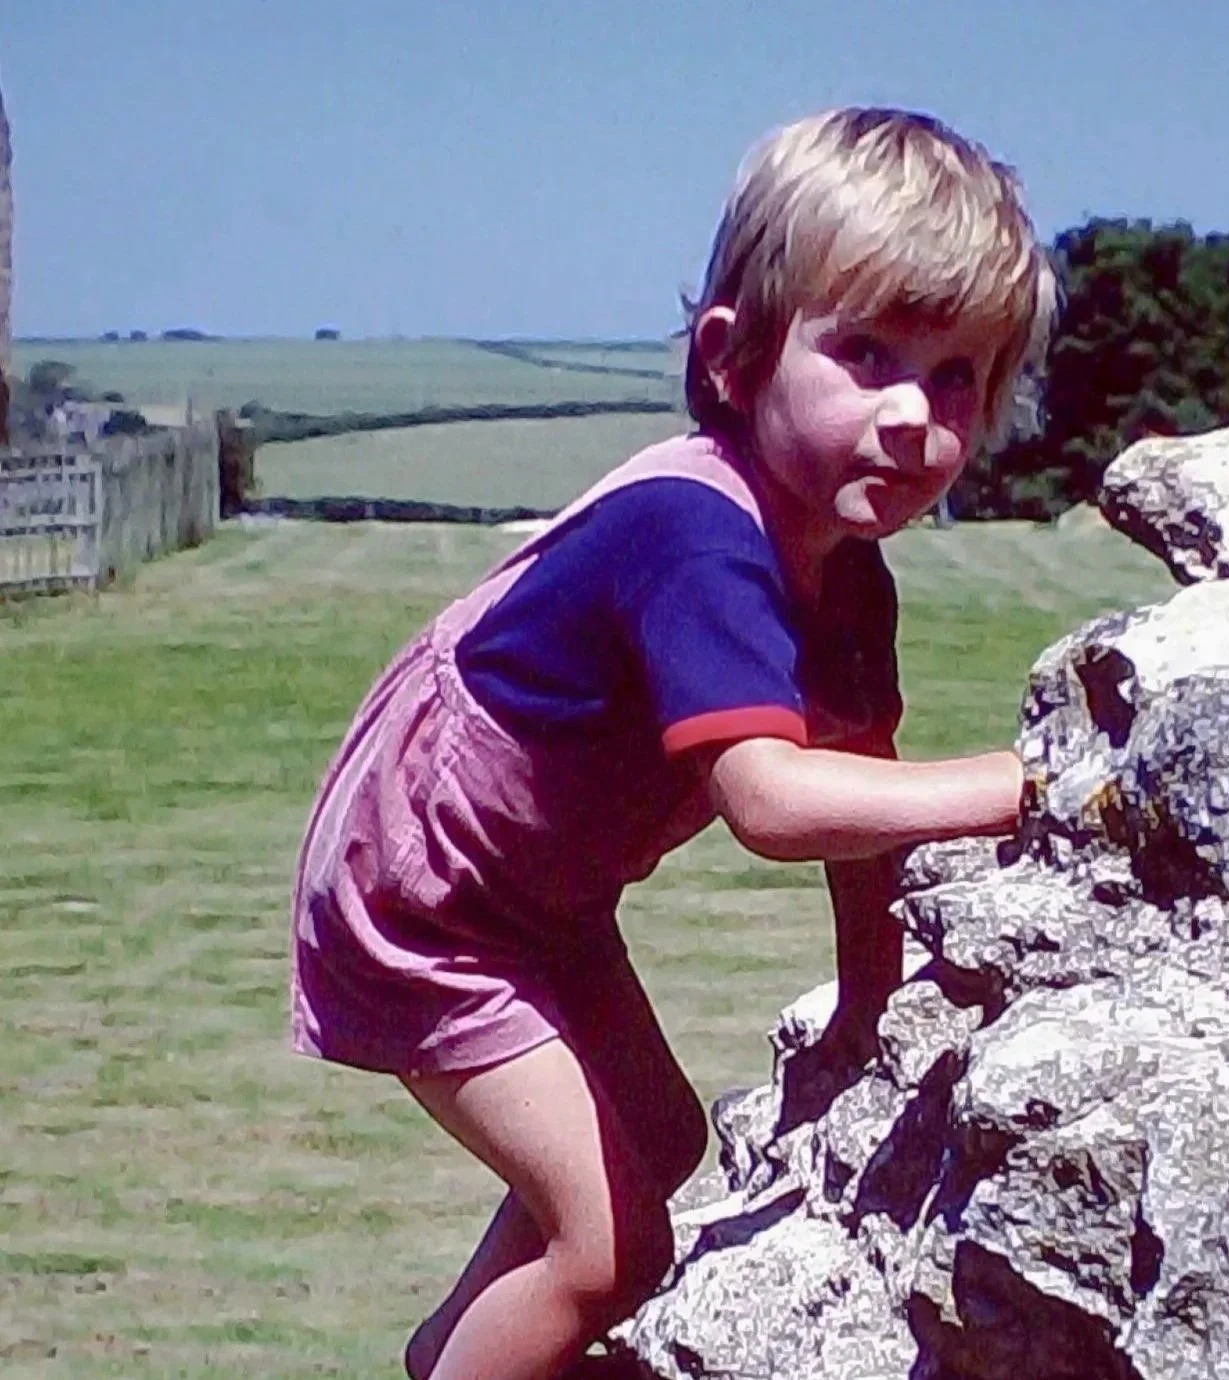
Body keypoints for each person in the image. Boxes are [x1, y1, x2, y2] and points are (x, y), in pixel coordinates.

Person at [290, 105, 1056, 1380]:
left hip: (538, 891)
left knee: (657, 1135)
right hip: (425, 894)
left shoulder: (851, 579)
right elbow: (771, 800)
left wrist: (871, 992)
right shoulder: (691, 536)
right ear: (735, 359)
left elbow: (854, 794)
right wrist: (1026, 788)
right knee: (611, 1249)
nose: (915, 414)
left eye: (957, 376)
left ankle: (464, 1358)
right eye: (866, 355)